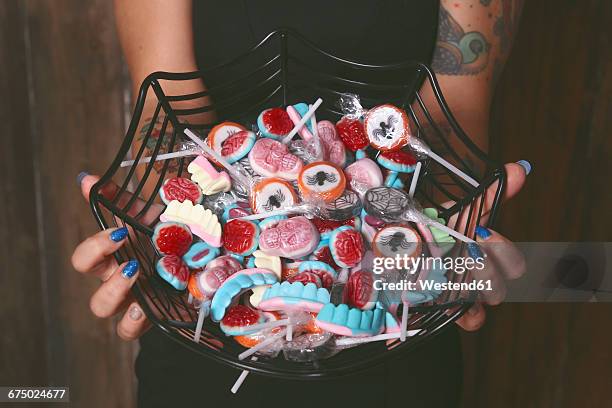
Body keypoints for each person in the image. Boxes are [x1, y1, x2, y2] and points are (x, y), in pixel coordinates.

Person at [72, 1, 529, 406]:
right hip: (205, 328)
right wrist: (165, 222)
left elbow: (449, 131)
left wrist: (442, 244)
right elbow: (168, 114)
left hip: (394, 328)